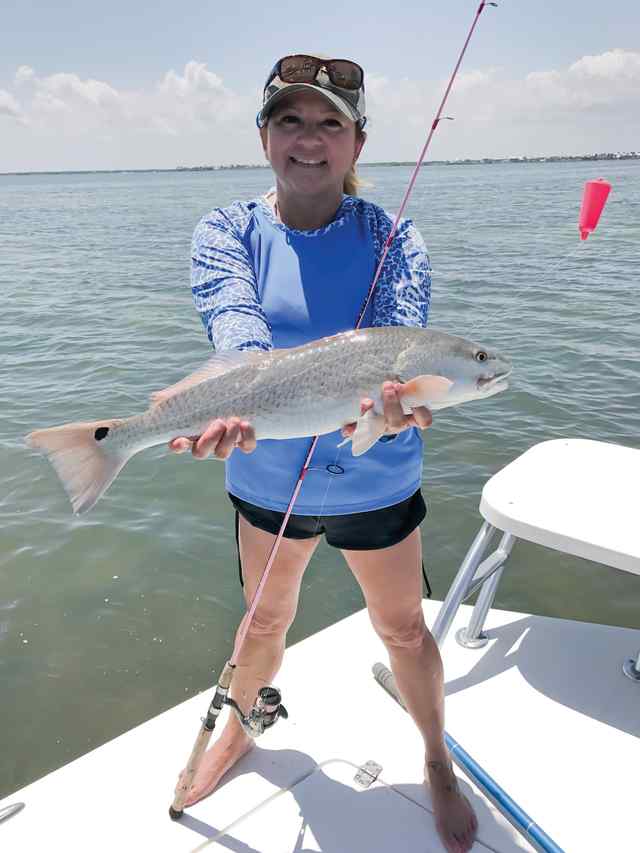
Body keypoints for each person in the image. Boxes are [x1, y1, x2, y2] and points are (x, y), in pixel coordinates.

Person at [171, 54, 478, 853]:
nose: (309, 140)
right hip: (267, 473)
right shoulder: (225, 231)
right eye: (291, 121)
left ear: (357, 142)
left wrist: (397, 411)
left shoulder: (396, 238)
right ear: (265, 135)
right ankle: (240, 730)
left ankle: (436, 756)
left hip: (376, 481)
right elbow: (237, 329)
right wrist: (227, 397)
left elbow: (398, 342)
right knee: (264, 620)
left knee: (403, 629)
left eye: (330, 124)